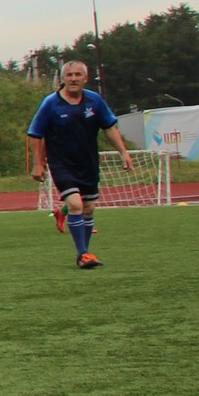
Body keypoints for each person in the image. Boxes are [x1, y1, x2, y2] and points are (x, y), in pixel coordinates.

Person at [26, 60, 135, 269]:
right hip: (61, 163)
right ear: (63, 79)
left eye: (78, 75)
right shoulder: (51, 103)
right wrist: (38, 163)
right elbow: (35, 134)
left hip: (88, 163)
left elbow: (109, 127)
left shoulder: (94, 101)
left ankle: (84, 251)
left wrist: (124, 152)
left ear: (85, 78)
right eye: (69, 75)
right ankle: (83, 253)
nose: (73, 79)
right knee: (75, 204)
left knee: (89, 207)